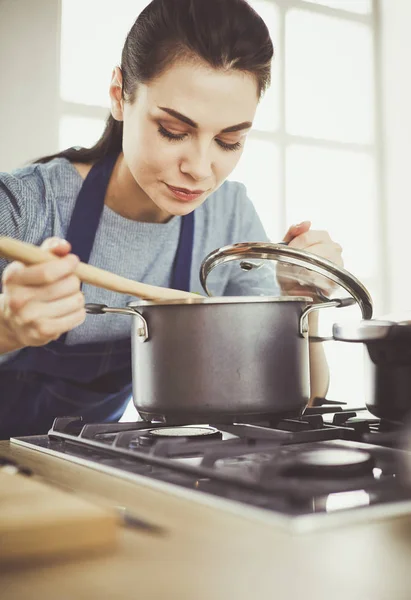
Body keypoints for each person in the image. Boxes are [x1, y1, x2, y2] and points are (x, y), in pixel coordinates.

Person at [0, 0, 343, 439]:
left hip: (82, 473)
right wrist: (8, 330)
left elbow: (303, 399)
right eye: (173, 131)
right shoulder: (24, 205)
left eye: (228, 140)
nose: (200, 169)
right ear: (118, 95)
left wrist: (304, 301)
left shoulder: (229, 219)